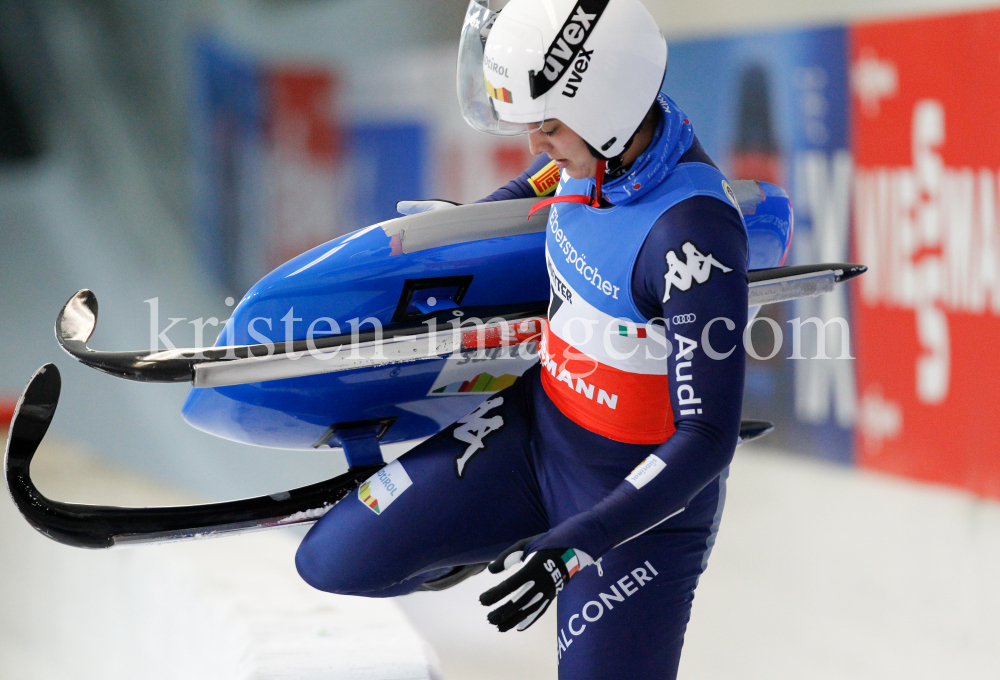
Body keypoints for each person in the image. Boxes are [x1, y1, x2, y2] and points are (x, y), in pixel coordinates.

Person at [294, 1, 748, 677]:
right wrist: (454, 239)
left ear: (606, 109)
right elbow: (528, 190)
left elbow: (708, 439)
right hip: (537, 436)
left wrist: (573, 548)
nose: (536, 140)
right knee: (330, 561)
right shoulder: (588, 153)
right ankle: (491, 529)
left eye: (548, 123)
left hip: (629, 513)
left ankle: (532, 538)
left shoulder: (694, 237)